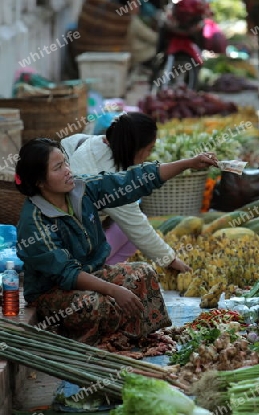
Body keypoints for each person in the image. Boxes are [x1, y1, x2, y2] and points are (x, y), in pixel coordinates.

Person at [15, 137, 218, 345]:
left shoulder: (81, 189)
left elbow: (131, 181)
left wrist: (189, 163)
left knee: (143, 273)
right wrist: (113, 289)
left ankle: (138, 337)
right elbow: (67, 273)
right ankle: (100, 345)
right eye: (58, 167)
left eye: (65, 162)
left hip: (90, 274)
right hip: (52, 291)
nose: (68, 170)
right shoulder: (34, 222)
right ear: (39, 181)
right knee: (95, 302)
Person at [61, 113, 190, 271]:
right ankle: (92, 273)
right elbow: (136, 225)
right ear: (134, 148)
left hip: (68, 233)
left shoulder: (95, 143)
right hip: (69, 248)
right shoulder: (108, 175)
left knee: (123, 228)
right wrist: (170, 260)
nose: (149, 155)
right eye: (148, 150)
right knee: (129, 228)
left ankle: (104, 272)